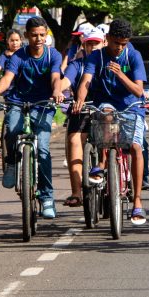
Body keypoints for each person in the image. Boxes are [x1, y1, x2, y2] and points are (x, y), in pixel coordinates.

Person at [0, 16, 64, 219]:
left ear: (47, 36)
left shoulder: (53, 55)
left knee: (43, 149)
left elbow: (56, 77)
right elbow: (7, 78)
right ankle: (11, 163)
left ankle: (47, 198)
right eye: (34, 35)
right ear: (26, 36)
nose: (38, 39)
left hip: (44, 104)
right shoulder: (18, 56)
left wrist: (56, 91)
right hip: (18, 101)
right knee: (11, 129)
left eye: (42, 35)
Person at [72, 18, 148, 225]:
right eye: (116, 43)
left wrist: (121, 74)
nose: (119, 48)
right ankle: (102, 162)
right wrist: (79, 99)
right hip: (107, 104)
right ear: (107, 39)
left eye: (123, 44)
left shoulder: (133, 56)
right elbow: (86, 80)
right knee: (105, 113)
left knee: (135, 147)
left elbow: (139, 91)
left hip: (131, 107)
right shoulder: (96, 57)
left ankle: (137, 200)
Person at [58, 28, 104, 208]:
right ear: (84, 45)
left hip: (106, 111)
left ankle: (107, 170)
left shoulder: (110, 62)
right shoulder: (77, 64)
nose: (93, 47)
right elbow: (66, 81)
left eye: (96, 43)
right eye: (89, 43)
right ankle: (76, 192)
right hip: (81, 109)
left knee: (112, 139)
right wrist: (58, 91)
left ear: (104, 43)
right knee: (74, 140)